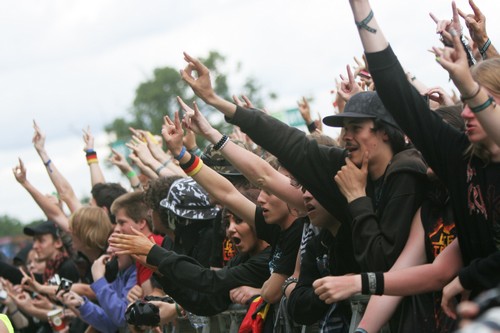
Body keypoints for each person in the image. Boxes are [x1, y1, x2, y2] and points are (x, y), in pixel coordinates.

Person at [315, 0, 500, 322]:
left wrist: (468, 84)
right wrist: (360, 7)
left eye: (481, 101)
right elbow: (397, 91)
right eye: (467, 101)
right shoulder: (460, 161)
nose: (468, 111)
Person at [109, 207, 271, 317]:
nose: (230, 229)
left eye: (239, 220)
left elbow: (210, 280)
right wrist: (159, 270)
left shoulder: (266, 258)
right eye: (227, 223)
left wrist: (156, 253)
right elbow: (206, 302)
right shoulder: (242, 258)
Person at [59, 243, 136, 333]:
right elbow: (111, 325)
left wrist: (99, 278)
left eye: (116, 243)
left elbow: (122, 317)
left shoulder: (135, 273)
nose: (109, 249)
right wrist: (81, 304)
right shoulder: (121, 273)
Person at [110, 191, 163, 297]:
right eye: (116, 223)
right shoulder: (139, 251)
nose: (116, 229)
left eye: (122, 223)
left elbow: (155, 299)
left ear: (141, 223)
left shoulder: (152, 246)